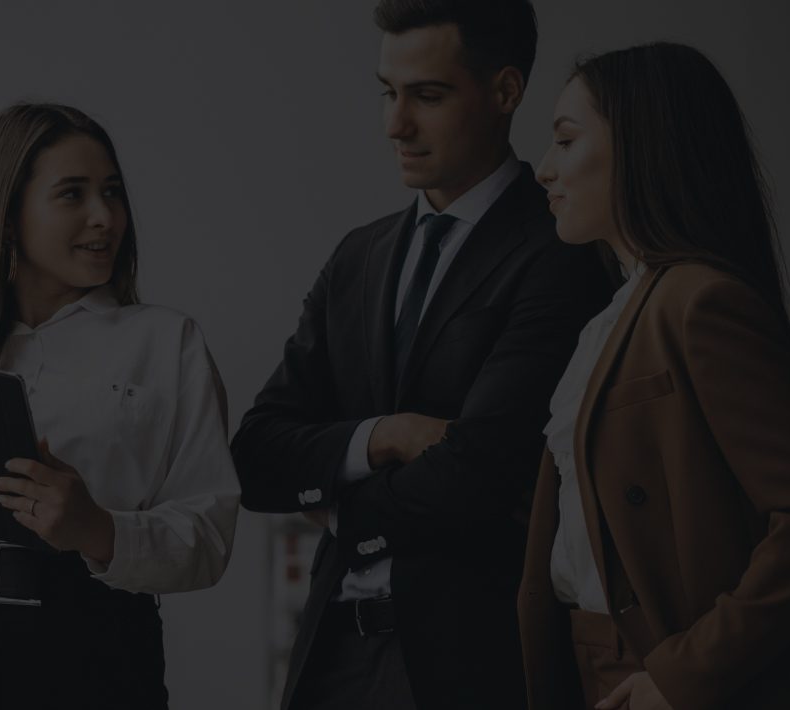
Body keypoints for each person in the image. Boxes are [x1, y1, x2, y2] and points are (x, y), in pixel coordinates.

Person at [231, 1, 613, 707]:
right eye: (389, 92)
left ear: (505, 91)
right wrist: (385, 435)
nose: (395, 124)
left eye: (427, 96)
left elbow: (482, 471)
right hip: (328, 658)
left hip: (468, 668)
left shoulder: (562, 252)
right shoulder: (358, 257)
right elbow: (255, 456)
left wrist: (341, 509)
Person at [0, 103, 240, 710]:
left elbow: (207, 540)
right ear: (7, 216)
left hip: (98, 650)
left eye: (112, 192)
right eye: (72, 194)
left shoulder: (167, 343)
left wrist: (98, 529)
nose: (105, 217)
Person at [520, 42, 790, 710]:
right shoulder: (613, 316)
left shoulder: (700, 302)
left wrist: (687, 674)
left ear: (640, 146)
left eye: (566, 140)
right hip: (588, 662)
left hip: (665, 673)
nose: (544, 170)